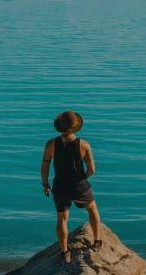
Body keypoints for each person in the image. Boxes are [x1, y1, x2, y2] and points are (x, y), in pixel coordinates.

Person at [40, 109, 101, 259]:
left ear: (60, 126)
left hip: (60, 186)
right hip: (79, 185)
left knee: (62, 218)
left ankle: (65, 252)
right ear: (75, 126)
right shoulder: (84, 144)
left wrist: (45, 184)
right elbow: (92, 169)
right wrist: (82, 178)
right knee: (92, 210)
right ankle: (97, 242)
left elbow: (45, 166)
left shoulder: (51, 144)